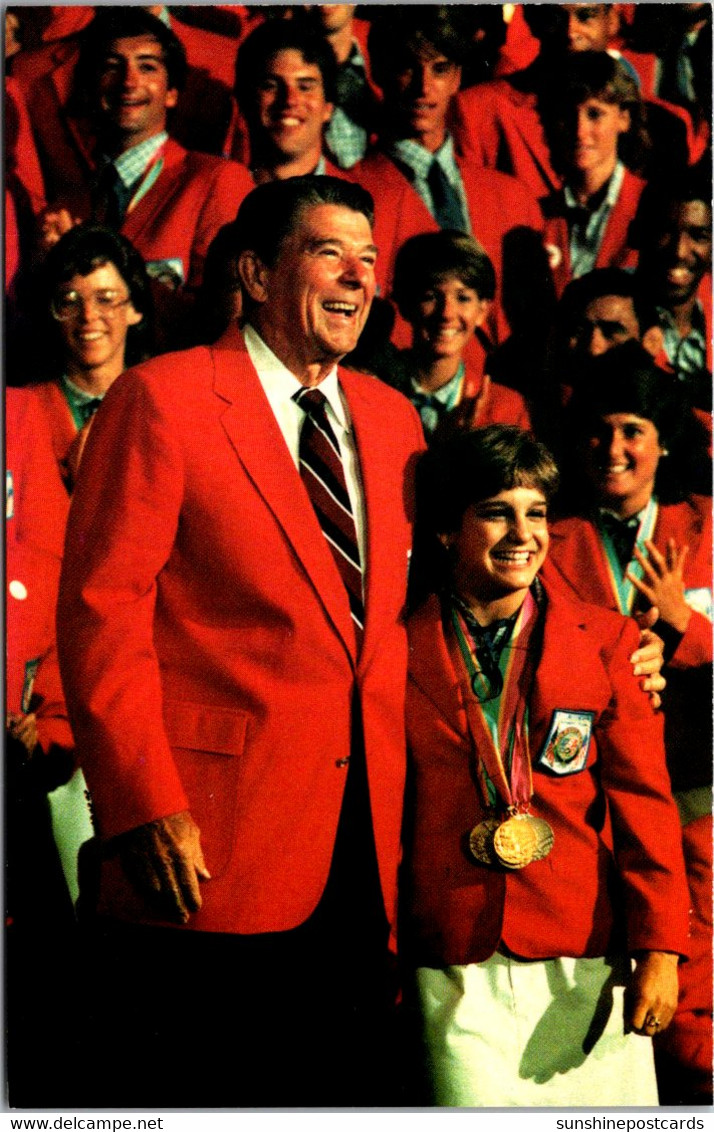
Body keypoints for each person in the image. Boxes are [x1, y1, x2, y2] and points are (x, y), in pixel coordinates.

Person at [56, 175, 425, 1109]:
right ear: (257, 273)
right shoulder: (162, 397)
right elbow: (103, 614)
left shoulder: (391, 418)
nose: (356, 277)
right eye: (327, 252)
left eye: (369, 259)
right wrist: (142, 803)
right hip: (207, 844)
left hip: (364, 847)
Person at [401, 424, 690, 1106]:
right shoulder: (393, 649)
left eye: (536, 514)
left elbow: (645, 805)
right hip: (451, 956)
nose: (522, 533)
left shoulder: (611, 642)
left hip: (586, 950)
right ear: (447, 530)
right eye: (496, 512)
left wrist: (661, 951)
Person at [546, 346, 713, 1105]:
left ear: (665, 439)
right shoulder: (550, 533)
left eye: (633, 430)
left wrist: (684, 629)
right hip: (598, 798)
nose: (613, 449)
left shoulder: (706, 527)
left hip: (697, 792)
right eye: (600, 429)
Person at [36, 9, 253, 346]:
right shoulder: (65, 211)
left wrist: (98, 265)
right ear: (91, 88)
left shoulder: (216, 181)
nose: (129, 82)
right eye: (112, 66)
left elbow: (227, 324)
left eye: (147, 66)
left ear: (172, 92)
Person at [352, 5, 551, 347]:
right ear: (380, 71)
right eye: (407, 68)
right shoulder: (352, 197)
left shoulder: (513, 198)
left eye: (440, 69)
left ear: (458, 76)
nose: (423, 87)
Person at [29, 222, 153, 491]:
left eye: (105, 299)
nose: (87, 315)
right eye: (70, 301)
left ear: (135, 309)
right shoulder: (26, 410)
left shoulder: (158, 405)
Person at [388, 230, 531, 440]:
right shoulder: (373, 388)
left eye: (463, 298)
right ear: (405, 304)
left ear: (482, 310)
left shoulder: (505, 408)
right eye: (430, 297)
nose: (446, 313)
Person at [539, 52, 649, 294]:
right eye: (568, 114)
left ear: (624, 118)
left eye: (594, 114)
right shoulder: (538, 214)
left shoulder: (651, 205)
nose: (579, 131)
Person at [634, 168, 712, 425]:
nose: (679, 251)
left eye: (698, 236)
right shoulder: (607, 312)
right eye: (665, 231)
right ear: (639, 233)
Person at [233, 19, 346, 183]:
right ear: (245, 100)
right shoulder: (216, 196)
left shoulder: (360, 205)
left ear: (328, 107)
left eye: (305, 87)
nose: (290, 100)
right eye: (270, 86)